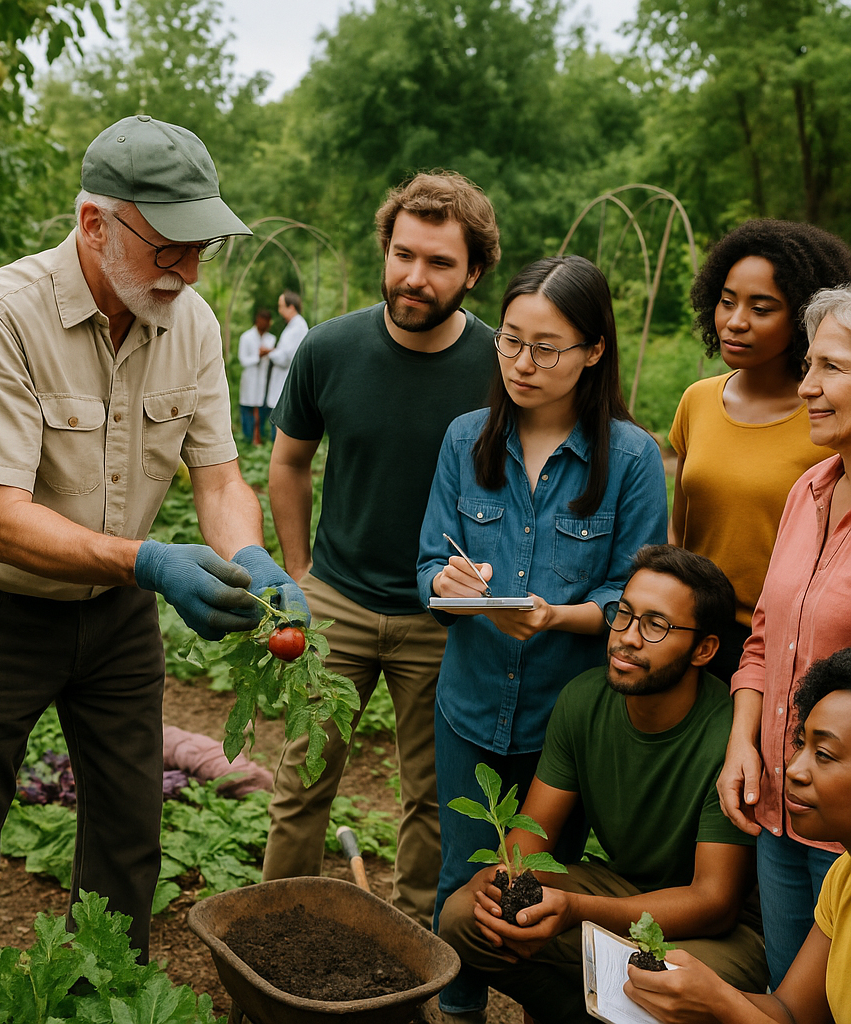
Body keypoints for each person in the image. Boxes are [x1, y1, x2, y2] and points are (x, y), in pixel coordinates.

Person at [0, 116, 307, 961]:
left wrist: (251, 558)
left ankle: (109, 994)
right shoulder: (2, 317)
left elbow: (218, 478)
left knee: (130, 836)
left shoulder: (190, 322)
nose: (189, 271)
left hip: (118, 616)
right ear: (95, 223)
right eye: (170, 247)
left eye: (201, 247)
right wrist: (152, 561)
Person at [417, 254, 668, 1019]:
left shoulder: (630, 458)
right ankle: (457, 1011)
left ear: (595, 350)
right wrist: (451, 588)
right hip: (469, 700)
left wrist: (555, 617)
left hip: (568, 720)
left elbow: (632, 593)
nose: (523, 364)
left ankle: (538, 1006)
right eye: (511, 342)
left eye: (547, 347)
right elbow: (430, 561)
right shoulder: (467, 440)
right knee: (462, 873)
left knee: (536, 884)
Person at [262, 170, 501, 928]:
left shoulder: (501, 365)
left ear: (475, 271)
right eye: (403, 254)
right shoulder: (330, 349)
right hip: (336, 599)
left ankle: (409, 947)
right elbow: (288, 462)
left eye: (438, 263)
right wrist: (301, 572)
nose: (414, 277)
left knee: (433, 797)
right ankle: (272, 931)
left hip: (444, 616)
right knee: (301, 782)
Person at [436, 546, 768, 1024]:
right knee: (466, 916)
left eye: (656, 625)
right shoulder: (584, 700)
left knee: (661, 982)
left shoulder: (728, 736)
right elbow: (529, 842)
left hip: (717, 934)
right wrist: (503, 882)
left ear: (705, 649)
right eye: (624, 615)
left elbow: (712, 903)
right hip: (621, 890)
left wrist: (572, 909)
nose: (627, 638)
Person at [718, 284, 851, 989]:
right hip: (778, 805)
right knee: (785, 992)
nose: (807, 387)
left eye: (831, 368)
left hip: (846, 834)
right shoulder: (809, 491)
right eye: (809, 366)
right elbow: (765, 639)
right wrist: (744, 743)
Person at [627, 646, 851, 1024]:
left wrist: (720, 1003)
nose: (793, 769)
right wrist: (696, 989)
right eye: (800, 744)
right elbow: (790, 1011)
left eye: (824, 754)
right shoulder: (842, 875)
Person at [669, 220, 851, 682]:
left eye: (761, 308)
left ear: (801, 319)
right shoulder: (697, 400)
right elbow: (681, 528)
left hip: (785, 642)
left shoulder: (827, 421)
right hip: (694, 634)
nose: (735, 321)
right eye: (727, 301)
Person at [262, 290, 308, 438]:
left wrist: (270, 352)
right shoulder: (293, 326)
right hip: (283, 378)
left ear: (291, 307)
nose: (279, 310)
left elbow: (285, 358)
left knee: (281, 423)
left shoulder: (297, 328)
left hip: (285, 377)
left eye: (281, 306)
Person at [237, 307, 275, 442]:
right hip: (249, 379)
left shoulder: (271, 339)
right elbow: (243, 360)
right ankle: (248, 438)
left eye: (267, 321)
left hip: (264, 381)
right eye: (262, 320)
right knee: (247, 409)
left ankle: (259, 437)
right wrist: (258, 356)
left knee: (262, 410)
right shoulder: (246, 337)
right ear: (257, 321)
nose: (264, 324)